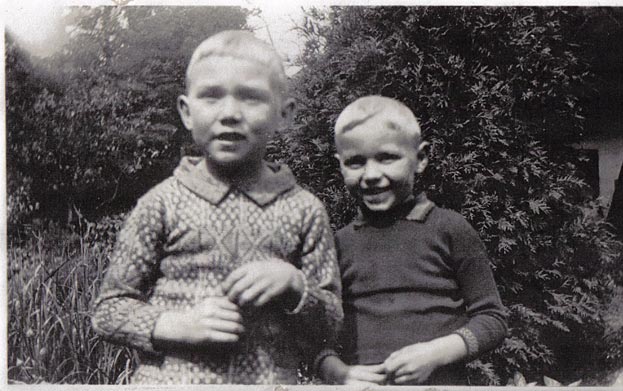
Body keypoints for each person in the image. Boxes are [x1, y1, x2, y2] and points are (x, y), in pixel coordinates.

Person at [92, 30, 342, 385]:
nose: (229, 113)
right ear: (186, 112)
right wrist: (178, 325)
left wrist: (295, 284)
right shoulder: (161, 202)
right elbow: (108, 310)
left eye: (251, 98)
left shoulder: (305, 210)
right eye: (211, 97)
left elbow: (330, 325)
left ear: (283, 114)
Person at [318, 96, 508, 385]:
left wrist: (436, 353)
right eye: (355, 162)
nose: (371, 175)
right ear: (340, 165)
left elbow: (492, 319)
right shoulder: (339, 244)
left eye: (387, 158)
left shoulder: (451, 229)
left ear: (420, 158)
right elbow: (319, 337)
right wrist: (339, 373)